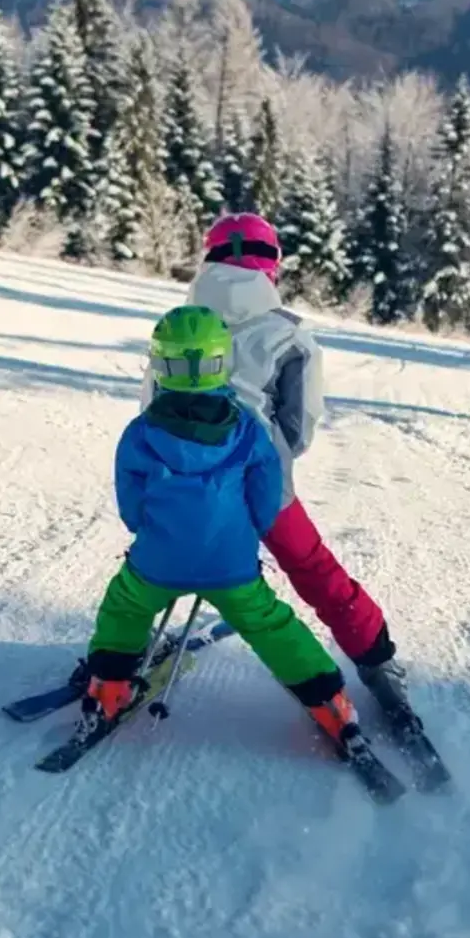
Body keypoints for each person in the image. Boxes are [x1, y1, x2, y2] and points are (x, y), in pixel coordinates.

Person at [140, 211, 412, 724]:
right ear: (273, 268)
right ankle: (377, 661)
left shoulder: (178, 327)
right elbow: (299, 428)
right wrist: (268, 459)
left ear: (209, 259)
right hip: (261, 480)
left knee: (157, 556)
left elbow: (150, 407)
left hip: (181, 478)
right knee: (312, 566)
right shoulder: (289, 335)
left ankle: (125, 646)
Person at [82, 303, 368, 758]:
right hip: (231, 568)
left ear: (161, 362)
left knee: (126, 606)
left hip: (157, 563)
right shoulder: (249, 430)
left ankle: (109, 686)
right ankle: (329, 700)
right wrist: (246, 533)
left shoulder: (140, 433)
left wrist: (147, 528)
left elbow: (131, 503)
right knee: (273, 626)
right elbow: (266, 493)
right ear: (222, 361)